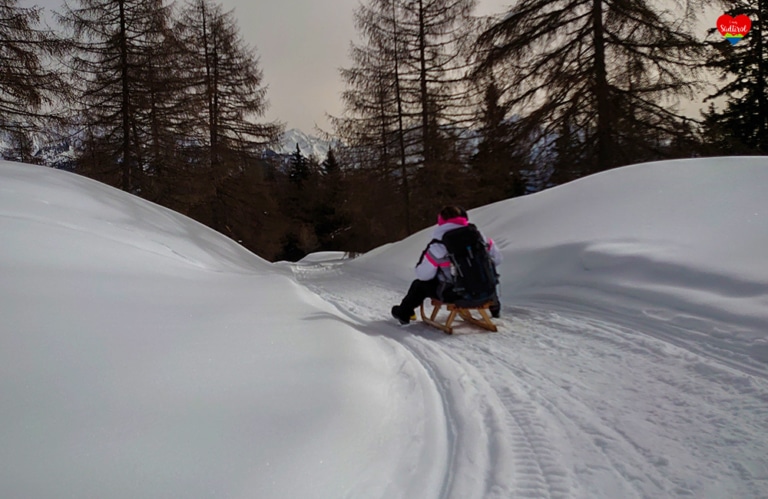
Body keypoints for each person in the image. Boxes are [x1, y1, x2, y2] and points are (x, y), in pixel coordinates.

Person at [391, 205, 502, 325]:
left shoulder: (438, 246)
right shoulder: (481, 239)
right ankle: (495, 308)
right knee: (484, 275)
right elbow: (497, 259)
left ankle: (404, 312)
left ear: (441, 221)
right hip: (487, 292)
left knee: (419, 284)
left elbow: (424, 275)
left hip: (455, 295)